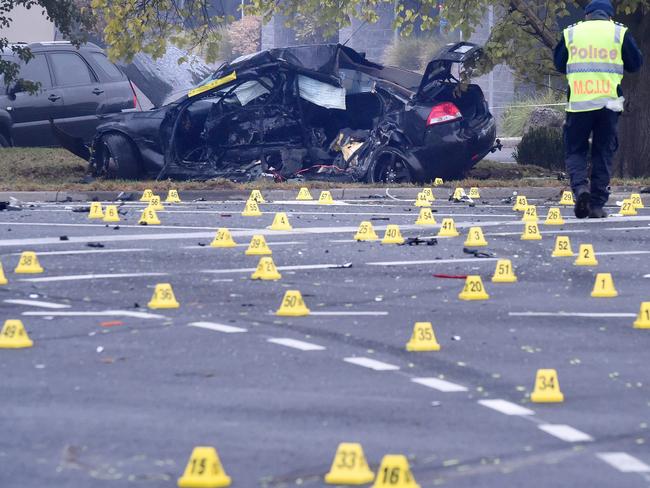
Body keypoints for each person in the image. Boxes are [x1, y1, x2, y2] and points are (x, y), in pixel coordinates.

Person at [554, 0, 643, 218]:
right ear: (609, 16)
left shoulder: (572, 33)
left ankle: (581, 188)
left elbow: (558, 63)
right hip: (609, 104)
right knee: (603, 152)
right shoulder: (618, 33)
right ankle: (596, 205)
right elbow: (636, 63)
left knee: (575, 150)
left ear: (587, 15)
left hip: (579, 102)